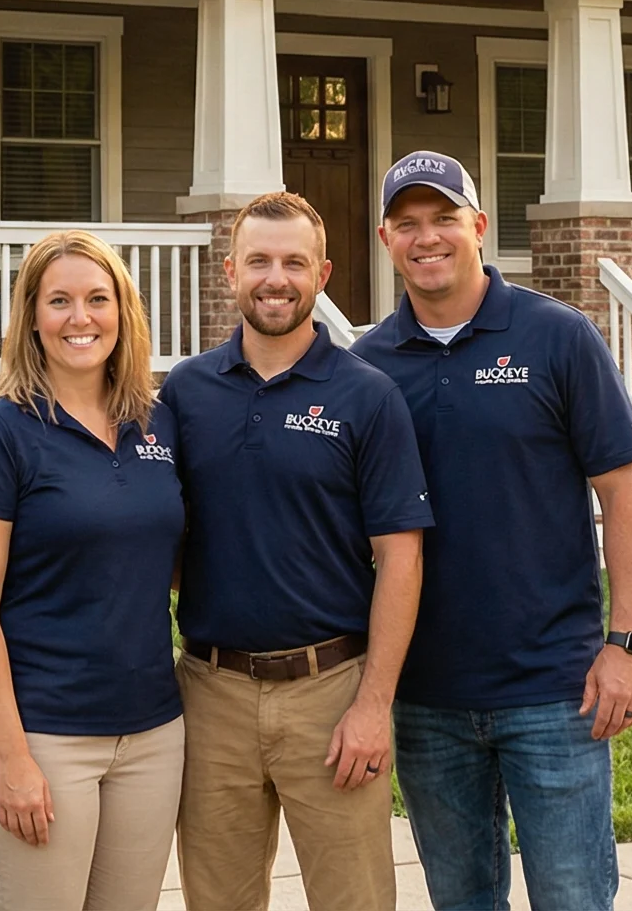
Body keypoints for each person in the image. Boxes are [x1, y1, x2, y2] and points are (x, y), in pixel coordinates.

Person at [352, 151, 632, 911]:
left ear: (478, 227)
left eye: (445, 219)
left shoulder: (558, 337)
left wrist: (627, 645)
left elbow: (624, 494)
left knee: (574, 897)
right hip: (426, 698)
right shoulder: (367, 367)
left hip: (555, 689)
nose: (428, 238)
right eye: (408, 223)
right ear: (386, 238)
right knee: (461, 900)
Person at [161, 192, 430, 911]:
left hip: (332, 691)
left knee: (355, 901)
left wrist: (374, 705)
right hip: (212, 690)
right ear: (230, 271)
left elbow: (401, 558)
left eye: (293, 263)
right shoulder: (185, 394)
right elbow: (158, 530)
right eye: (258, 261)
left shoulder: (367, 396)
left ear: (323, 274)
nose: (275, 278)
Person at [0, 230, 187, 911]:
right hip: (44, 734)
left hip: (152, 733)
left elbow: (163, 563)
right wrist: (13, 758)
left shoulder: (157, 425)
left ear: (123, 312)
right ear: (31, 317)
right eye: (59, 301)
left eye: (96, 299)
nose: (80, 318)